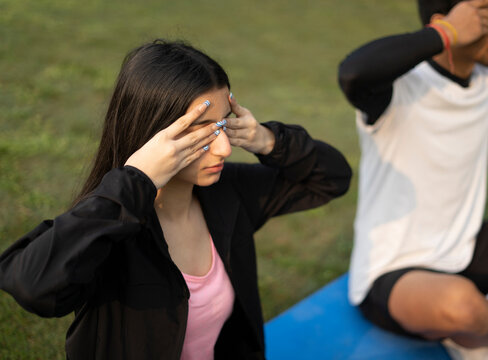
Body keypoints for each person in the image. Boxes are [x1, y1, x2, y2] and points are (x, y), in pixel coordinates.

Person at [0, 40, 352, 359]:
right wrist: (136, 178)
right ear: (154, 135)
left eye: (223, 125)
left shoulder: (228, 192)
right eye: (201, 131)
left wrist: (267, 140)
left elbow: (330, 179)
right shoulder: (109, 222)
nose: (225, 148)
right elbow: (33, 285)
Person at [338, 0, 488, 355]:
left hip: (465, 247)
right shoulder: (397, 88)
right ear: (445, 24)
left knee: (473, 311)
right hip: (396, 273)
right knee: (463, 306)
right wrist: (445, 33)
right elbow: (354, 72)